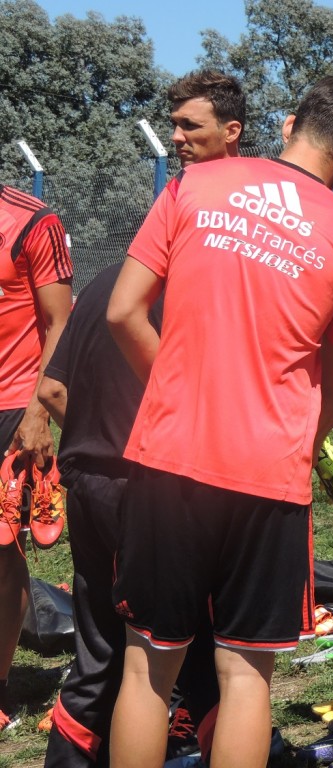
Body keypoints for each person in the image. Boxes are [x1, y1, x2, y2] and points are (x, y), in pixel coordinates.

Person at [105, 76, 333, 767]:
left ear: (287, 125)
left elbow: (121, 312)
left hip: (169, 456)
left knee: (148, 667)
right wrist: (304, 444)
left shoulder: (194, 185)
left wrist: (175, 391)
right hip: (270, 473)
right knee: (246, 675)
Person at [38, 70, 245, 767]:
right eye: (175, 128)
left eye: (191, 127)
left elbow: (55, 392)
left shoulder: (105, 281)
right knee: (190, 654)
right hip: (148, 487)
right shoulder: (199, 281)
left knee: (102, 650)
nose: (180, 140)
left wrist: (84, 454)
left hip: (89, 478)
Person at [0, 184, 73, 732]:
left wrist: (38, 412)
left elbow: (59, 323)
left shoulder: (32, 221)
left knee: (1, 551)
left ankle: (0, 691)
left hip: (12, 405)